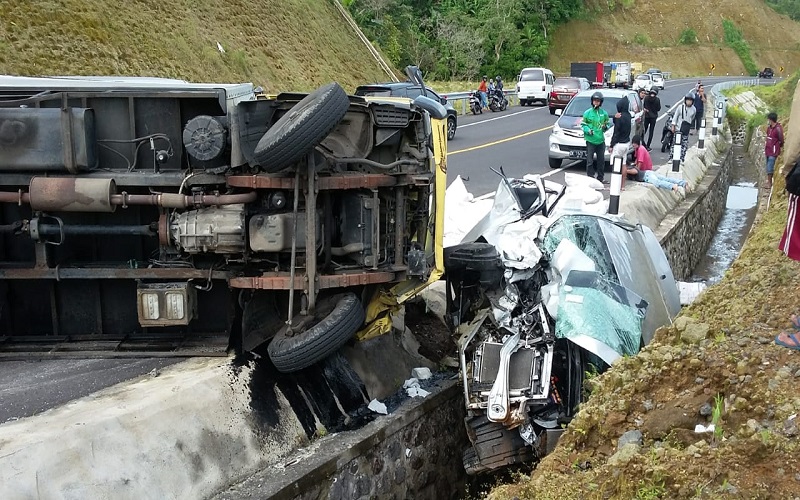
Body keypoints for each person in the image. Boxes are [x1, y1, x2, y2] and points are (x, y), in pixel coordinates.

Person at [581, 92, 611, 183]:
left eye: (598, 101)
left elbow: (608, 124)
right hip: (590, 140)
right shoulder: (587, 113)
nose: (596, 103)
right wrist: (588, 130)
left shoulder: (604, 113)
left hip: (600, 140)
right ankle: (590, 177)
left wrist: (605, 127)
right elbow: (583, 125)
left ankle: (600, 178)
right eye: (595, 101)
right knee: (589, 161)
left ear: (601, 102)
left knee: (601, 161)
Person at [671, 93, 697, 163]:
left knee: (684, 145)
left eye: (690, 100)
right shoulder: (680, 107)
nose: (689, 102)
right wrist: (673, 126)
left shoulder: (694, 109)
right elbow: (675, 117)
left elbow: (692, 118)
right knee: (675, 144)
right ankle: (671, 157)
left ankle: (682, 158)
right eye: (688, 100)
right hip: (678, 129)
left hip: (686, 129)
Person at [609, 96, 631, 167]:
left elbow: (616, 133)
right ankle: (623, 178)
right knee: (624, 163)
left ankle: (616, 178)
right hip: (626, 143)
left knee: (616, 164)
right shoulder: (628, 116)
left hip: (619, 144)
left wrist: (611, 145)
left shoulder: (620, 117)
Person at [764, 112, 784, 190]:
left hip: (773, 151)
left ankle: (770, 183)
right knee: (768, 165)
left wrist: (777, 147)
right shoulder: (769, 128)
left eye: (768, 119)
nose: (767, 121)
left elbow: (781, 140)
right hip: (768, 149)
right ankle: (768, 180)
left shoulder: (778, 128)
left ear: (771, 119)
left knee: (770, 166)